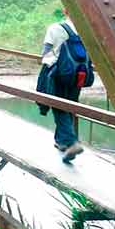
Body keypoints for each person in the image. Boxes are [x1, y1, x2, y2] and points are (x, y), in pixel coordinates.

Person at [37, 9, 88, 163]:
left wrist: (42, 58)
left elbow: (46, 50)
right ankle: (62, 142)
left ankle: (72, 142)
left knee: (58, 106)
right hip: (78, 74)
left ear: (66, 11)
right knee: (71, 105)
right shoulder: (85, 30)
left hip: (57, 73)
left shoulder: (56, 28)